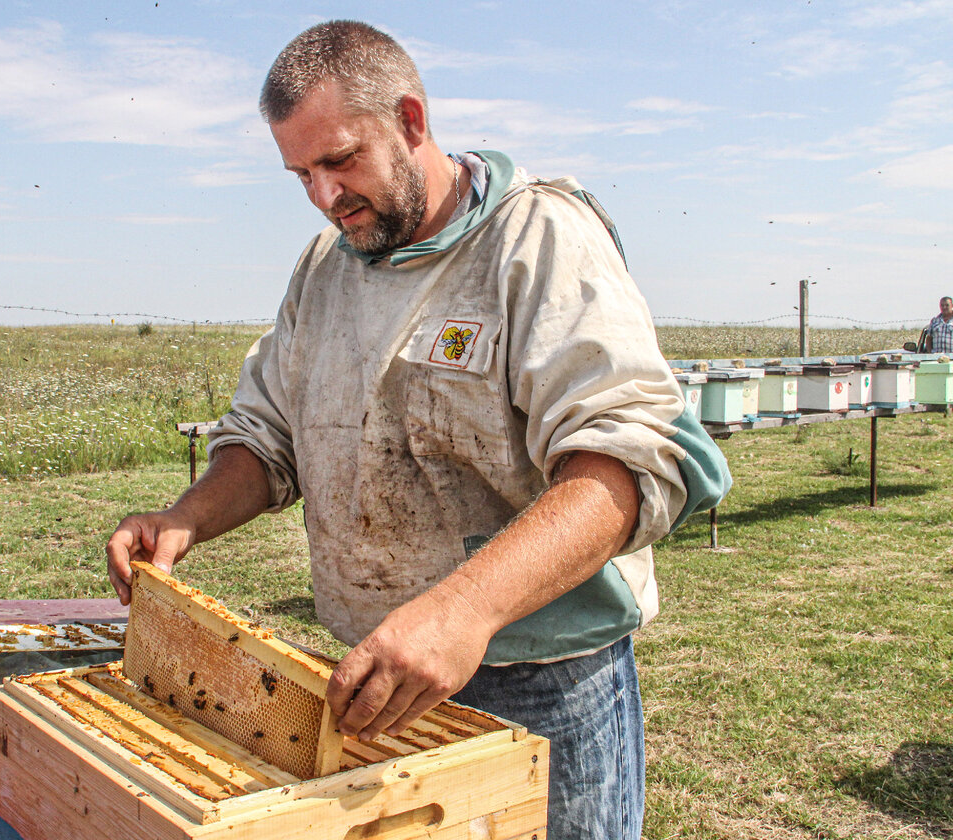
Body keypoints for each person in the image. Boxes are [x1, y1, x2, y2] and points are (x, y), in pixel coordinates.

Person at [107, 20, 731, 839]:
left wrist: (463, 613)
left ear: (410, 121)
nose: (324, 196)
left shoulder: (537, 237)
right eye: (300, 174)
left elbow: (627, 465)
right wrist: (185, 517)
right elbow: (267, 439)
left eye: (339, 161)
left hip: (542, 686)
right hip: (373, 683)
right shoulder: (325, 269)